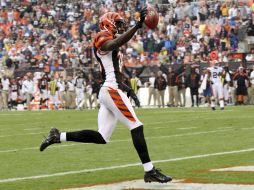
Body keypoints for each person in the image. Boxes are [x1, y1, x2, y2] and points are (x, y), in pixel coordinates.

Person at [39, 7, 172, 183]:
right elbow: (113, 45)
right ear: (108, 24)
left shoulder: (112, 42)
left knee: (102, 137)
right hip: (110, 90)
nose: (120, 26)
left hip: (110, 88)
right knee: (136, 126)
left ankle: (58, 136)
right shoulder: (102, 37)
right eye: (117, 23)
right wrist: (137, 26)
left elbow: (114, 73)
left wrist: (129, 90)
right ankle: (150, 171)